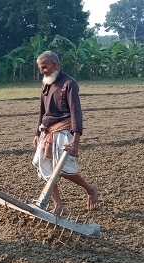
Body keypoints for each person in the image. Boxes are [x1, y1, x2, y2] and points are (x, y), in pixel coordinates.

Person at [32, 50, 99, 214]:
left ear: (55, 65)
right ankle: (58, 204)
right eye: (40, 68)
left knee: (64, 170)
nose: (42, 72)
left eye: (44, 68)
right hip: (46, 131)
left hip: (63, 131)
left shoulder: (69, 84)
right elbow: (43, 111)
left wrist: (76, 141)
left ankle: (90, 189)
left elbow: (76, 113)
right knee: (44, 168)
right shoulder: (46, 84)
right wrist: (36, 133)